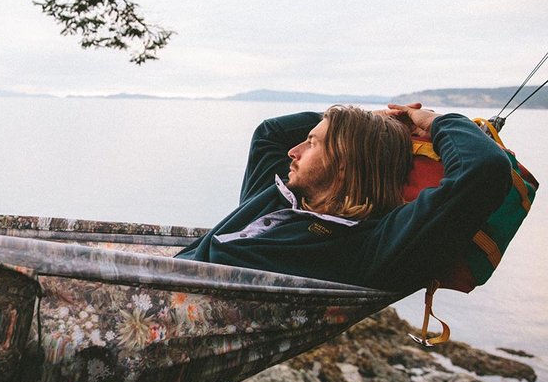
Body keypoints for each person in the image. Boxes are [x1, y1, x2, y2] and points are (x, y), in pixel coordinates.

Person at [175, 103, 512, 292]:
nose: (293, 152)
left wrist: (435, 122)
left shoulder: (369, 246)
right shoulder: (280, 192)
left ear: (344, 164)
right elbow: (269, 134)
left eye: (312, 143)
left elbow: (484, 170)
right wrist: (362, 121)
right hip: (155, 280)